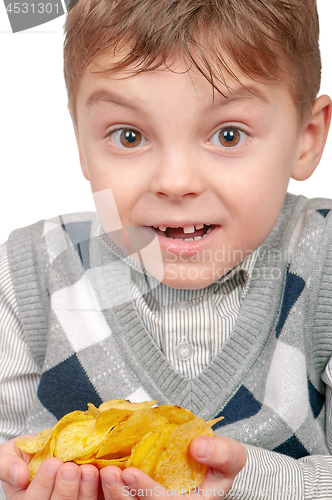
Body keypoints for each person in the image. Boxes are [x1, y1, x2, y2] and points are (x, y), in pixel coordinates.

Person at [0, 0, 332, 498]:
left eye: (228, 134)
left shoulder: (323, 262)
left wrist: (247, 483)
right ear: (80, 143)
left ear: (306, 139)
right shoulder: (30, 273)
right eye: (129, 136)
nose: (175, 182)